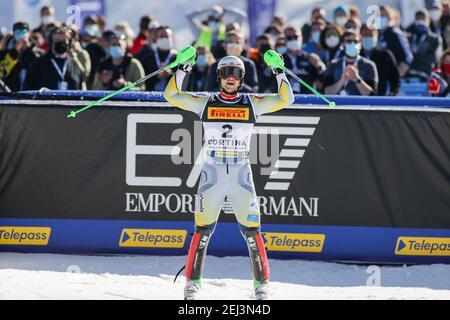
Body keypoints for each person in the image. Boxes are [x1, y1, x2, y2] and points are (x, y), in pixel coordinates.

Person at [163, 53, 294, 301]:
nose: (230, 78)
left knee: (253, 230)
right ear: (219, 77)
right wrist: (183, 68)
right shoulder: (205, 101)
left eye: (235, 73)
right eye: (225, 73)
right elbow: (171, 95)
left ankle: (262, 284)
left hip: (240, 172)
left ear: (242, 77)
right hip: (212, 172)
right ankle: (192, 283)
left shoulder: (252, 103)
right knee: (202, 230)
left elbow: (287, 99)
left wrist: (279, 71)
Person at [25, 26, 86, 90]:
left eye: (64, 41)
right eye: (58, 40)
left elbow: (81, 90)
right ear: (51, 42)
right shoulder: (38, 64)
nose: (61, 43)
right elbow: (28, 88)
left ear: (69, 43)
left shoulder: (75, 66)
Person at [324, 31, 378, 96]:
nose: (352, 44)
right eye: (348, 41)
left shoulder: (369, 65)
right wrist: (342, 80)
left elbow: (372, 95)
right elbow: (326, 93)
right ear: (342, 44)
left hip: (360, 105)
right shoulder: (333, 64)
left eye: (355, 41)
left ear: (360, 44)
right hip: (338, 105)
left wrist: (357, 79)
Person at [0, 22, 44, 92]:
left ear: (29, 34)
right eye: (18, 32)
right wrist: (14, 52)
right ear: (14, 34)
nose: (21, 34)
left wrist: (29, 50)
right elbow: (2, 72)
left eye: (24, 31)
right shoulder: (5, 53)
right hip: (10, 94)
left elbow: (40, 68)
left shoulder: (38, 52)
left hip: (31, 94)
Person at [282, 26, 326, 94]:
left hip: (306, 101)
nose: (293, 40)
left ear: (301, 38)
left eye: (296, 37)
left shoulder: (310, 58)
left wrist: (320, 67)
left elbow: (323, 82)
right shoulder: (279, 60)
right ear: (284, 40)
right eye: (289, 38)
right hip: (284, 100)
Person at [360, 24, 400, 96]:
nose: (368, 37)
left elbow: (395, 80)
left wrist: (392, 94)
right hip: (357, 100)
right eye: (365, 35)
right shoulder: (355, 56)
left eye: (371, 35)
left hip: (381, 99)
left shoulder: (385, 55)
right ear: (360, 36)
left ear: (377, 36)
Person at [137, 25, 177, 91]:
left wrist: (170, 74)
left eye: (167, 37)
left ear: (172, 38)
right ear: (156, 39)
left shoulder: (178, 58)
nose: (164, 39)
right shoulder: (148, 59)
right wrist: (157, 76)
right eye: (161, 36)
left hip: (173, 98)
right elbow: (143, 82)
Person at [378, 5, 414, 77]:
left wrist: (396, 76)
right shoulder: (376, 34)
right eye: (378, 16)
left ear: (390, 17)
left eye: (384, 16)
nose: (380, 18)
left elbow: (408, 57)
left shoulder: (396, 34)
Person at [406, 9, 441, 79]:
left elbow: (438, 58)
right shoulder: (409, 36)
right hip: (411, 74)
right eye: (418, 18)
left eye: (423, 19)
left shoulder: (434, 39)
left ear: (428, 21)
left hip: (427, 74)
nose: (420, 21)